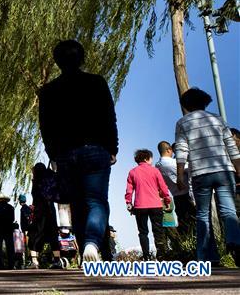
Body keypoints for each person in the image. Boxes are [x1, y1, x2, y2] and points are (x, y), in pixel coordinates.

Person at [38, 40, 118, 262]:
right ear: (81, 58)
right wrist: (113, 147)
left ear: (57, 62)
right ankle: (93, 244)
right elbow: (108, 116)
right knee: (96, 200)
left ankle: (86, 249)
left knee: (77, 204)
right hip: (96, 149)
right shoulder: (96, 82)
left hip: (65, 154)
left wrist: (52, 153)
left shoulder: (48, 91)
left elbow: (45, 126)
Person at [173, 88, 240, 264]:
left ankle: (207, 257)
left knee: (203, 214)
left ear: (186, 105)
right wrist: (238, 168)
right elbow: (231, 146)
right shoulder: (217, 118)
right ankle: (234, 241)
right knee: (229, 210)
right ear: (205, 102)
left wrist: (180, 175)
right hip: (224, 170)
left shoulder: (183, 123)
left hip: (200, 174)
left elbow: (181, 150)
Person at [125, 149, 171, 260]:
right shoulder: (155, 171)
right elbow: (163, 187)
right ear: (146, 158)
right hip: (156, 205)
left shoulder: (132, 172)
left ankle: (146, 256)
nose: (152, 160)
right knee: (158, 230)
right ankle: (161, 255)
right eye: (151, 158)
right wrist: (167, 200)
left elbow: (129, 190)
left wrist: (128, 203)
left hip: (140, 206)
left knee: (143, 232)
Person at [27, 163, 63, 269]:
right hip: (51, 210)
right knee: (53, 235)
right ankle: (57, 260)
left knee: (35, 234)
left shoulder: (36, 182)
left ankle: (34, 261)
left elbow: (35, 197)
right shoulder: (49, 180)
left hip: (40, 211)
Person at [155, 140, 195, 235]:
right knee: (194, 221)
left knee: (183, 223)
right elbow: (192, 168)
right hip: (187, 195)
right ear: (169, 150)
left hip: (176, 196)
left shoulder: (157, 166)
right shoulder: (173, 163)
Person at [0, 195, 16, 270]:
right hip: (8, 229)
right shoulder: (11, 207)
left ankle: (0, 266)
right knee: (10, 248)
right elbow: (13, 218)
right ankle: (11, 265)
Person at [17, 194, 31, 267]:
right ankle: (28, 260)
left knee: (27, 245)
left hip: (26, 230)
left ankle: (29, 261)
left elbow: (27, 217)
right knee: (26, 245)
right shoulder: (27, 207)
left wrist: (26, 229)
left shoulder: (24, 208)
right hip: (26, 229)